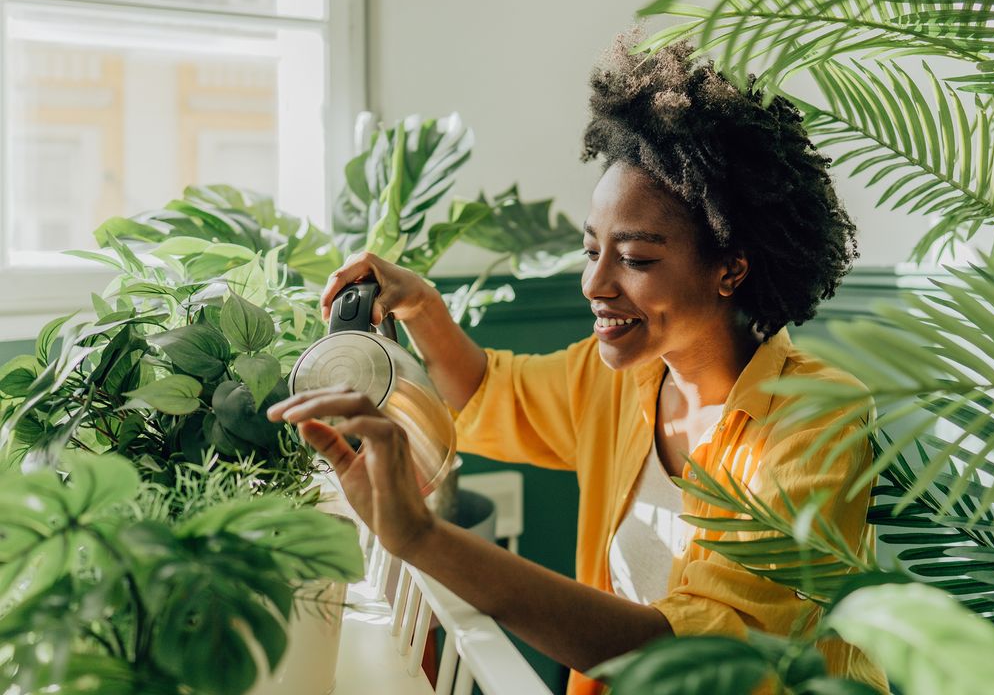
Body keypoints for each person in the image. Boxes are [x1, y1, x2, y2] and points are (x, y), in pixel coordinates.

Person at [267, 34, 886, 695]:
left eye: (637, 259)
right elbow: (490, 394)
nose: (595, 283)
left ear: (730, 268)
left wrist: (423, 538)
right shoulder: (621, 378)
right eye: (592, 249)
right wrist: (422, 306)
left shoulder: (817, 422)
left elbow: (698, 659)